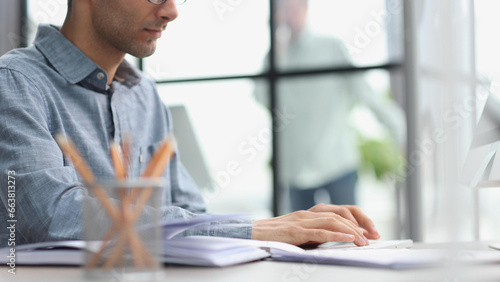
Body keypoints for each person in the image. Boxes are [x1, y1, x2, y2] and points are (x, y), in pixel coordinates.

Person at [0, 0, 380, 248]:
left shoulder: (144, 95)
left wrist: (279, 230)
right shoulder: (15, 83)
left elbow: (190, 211)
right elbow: (48, 216)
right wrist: (252, 229)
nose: (171, 11)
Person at [254, 0, 406, 211]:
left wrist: (402, 132)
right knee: (302, 242)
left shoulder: (330, 47)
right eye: (283, 10)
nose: (288, 16)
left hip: (336, 163)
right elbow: (262, 97)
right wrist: (277, 54)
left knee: (353, 234)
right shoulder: (275, 57)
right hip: (296, 171)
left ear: (304, 8)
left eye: (293, 8)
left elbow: (366, 94)